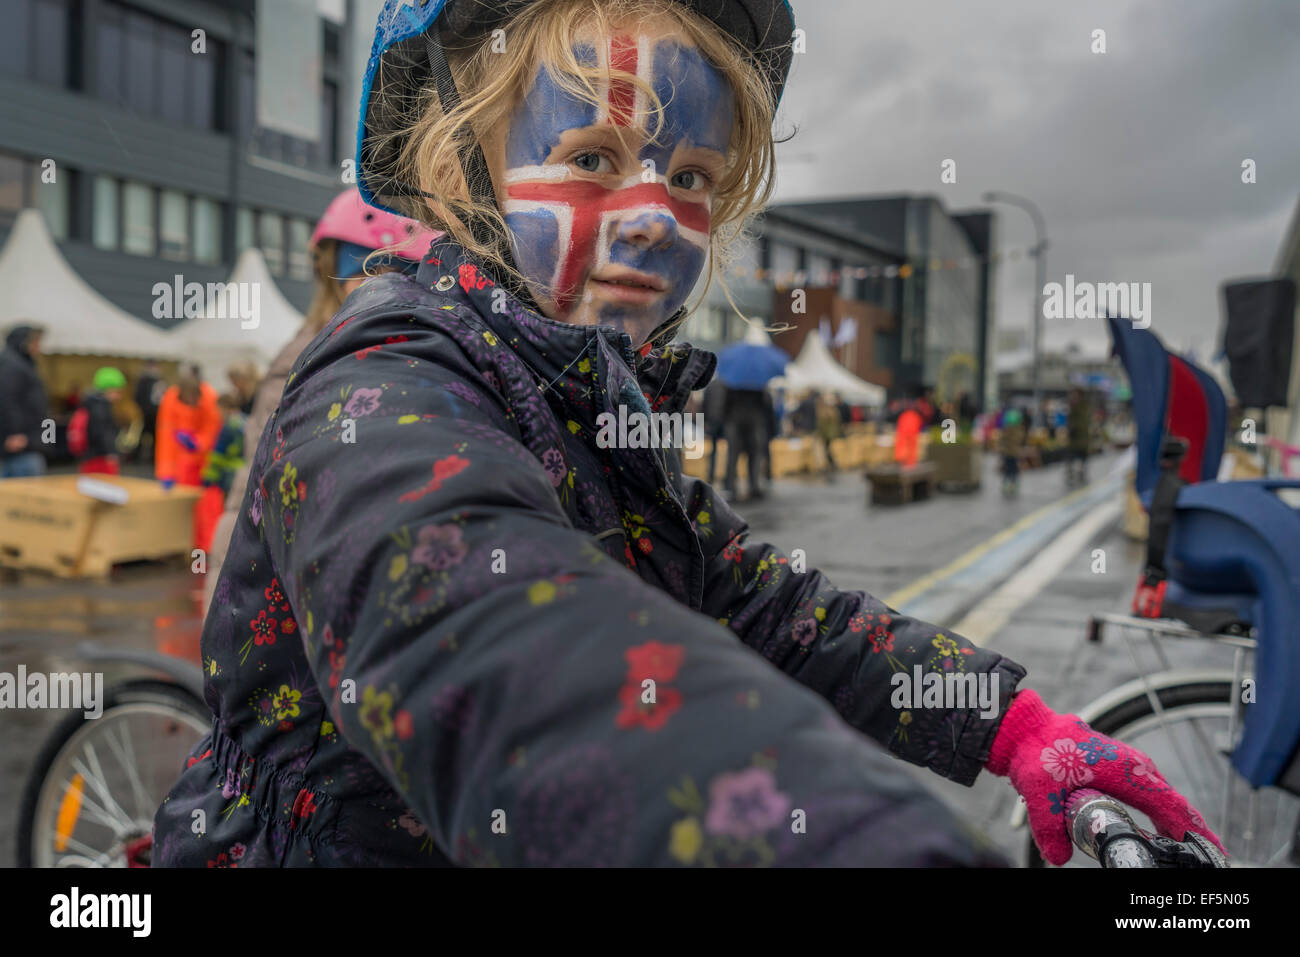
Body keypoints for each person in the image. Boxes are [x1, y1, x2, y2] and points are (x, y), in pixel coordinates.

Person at [155, 0, 1218, 869]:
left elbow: (756, 597)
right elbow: (487, 639)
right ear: (450, 169)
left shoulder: (589, 392)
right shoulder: (382, 377)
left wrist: (1009, 723)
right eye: (590, 155)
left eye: (692, 176)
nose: (656, 212)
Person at [201, 188, 439, 613]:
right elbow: (266, 492)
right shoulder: (308, 360)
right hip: (293, 587)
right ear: (333, 276)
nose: (380, 293)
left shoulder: (413, 355)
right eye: (365, 275)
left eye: (394, 277)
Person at [194, 394, 247, 556]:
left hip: (228, 476)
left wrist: (209, 477)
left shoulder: (228, 427)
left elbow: (218, 455)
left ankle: (226, 550)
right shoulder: (246, 422)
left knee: (228, 513)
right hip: (244, 473)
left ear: (225, 407)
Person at [154, 365, 222, 490]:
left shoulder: (209, 399)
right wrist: (166, 473)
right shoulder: (170, 399)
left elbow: (212, 430)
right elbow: (165, 440)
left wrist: (197, 443)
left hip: (202, 464)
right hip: (180, 466)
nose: (190, 402)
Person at [0, 324, 50, 478]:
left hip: (27, 443)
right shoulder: (12, 365)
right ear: (23, 342)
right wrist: (14, 433)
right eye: (35, 342)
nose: (38, 347)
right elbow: (6, 399)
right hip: (20, 446)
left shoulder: (23, 364)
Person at [71, 366, 127, 475]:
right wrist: (111, 453)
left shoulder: (89, 404)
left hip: (88, 457)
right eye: (118, 391)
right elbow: (102, 433)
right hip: (100, 459)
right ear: (108, 389)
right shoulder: (101, 407)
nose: (119, 396)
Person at [722, 385, 769, 500]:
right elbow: (764, 404)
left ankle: (731, 488)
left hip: (736, 419)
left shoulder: (732, 382)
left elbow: (725, 404)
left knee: (733, 456)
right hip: (752, 420)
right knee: (753, 455)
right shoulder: (757, 383)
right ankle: (753, 486)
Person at [133, 359, 164, 465]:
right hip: (148, 412)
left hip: (154, 413)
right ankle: (139, 456)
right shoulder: (147, 381)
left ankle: (152, 456)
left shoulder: (157, 381)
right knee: (144, 434)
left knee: (153, 435)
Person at [1066, 387, 1093, 486]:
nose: (1072, 397)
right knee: (1071, 459)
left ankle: (1080, 474)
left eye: (1075, 395)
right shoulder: (1073, 407)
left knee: (1081, 458)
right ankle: (1072, 474)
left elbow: (1083, 423)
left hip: (1081, 439)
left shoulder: (1083, 407)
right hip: (1074, 439)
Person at [999, 406, 1026, 497]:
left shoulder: (1008, 430)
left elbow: (1003, 441)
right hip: (1013, 453)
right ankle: (1012, 484)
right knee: (1012, 469)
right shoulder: (1019, 430)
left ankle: (1008, 484)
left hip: (1009, 453)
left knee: (1009, 469)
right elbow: (1020, 441)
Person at [814, 389, 842, 476]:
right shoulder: (833, 412)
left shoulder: (823, 412)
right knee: (828, 449)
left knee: (824, 450)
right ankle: (831, 463)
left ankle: (826, 465)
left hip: (825, 434)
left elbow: (822, 426)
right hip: (830, 434)